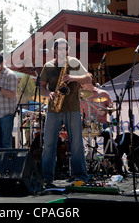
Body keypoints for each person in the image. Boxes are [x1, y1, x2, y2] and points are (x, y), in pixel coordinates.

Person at [39, 38, 92, 187]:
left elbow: (89, 77)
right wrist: (48, 93)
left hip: (72, 108)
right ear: (55, 50)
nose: (63, 51)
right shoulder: (48, 66)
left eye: (65, 48)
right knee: (49, 144)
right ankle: (46, 177)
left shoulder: (73, 62)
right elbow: (42, 86)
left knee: (76, 143)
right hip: (54, 109)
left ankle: (80, 175)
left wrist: (73, 77)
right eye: (60, 48)